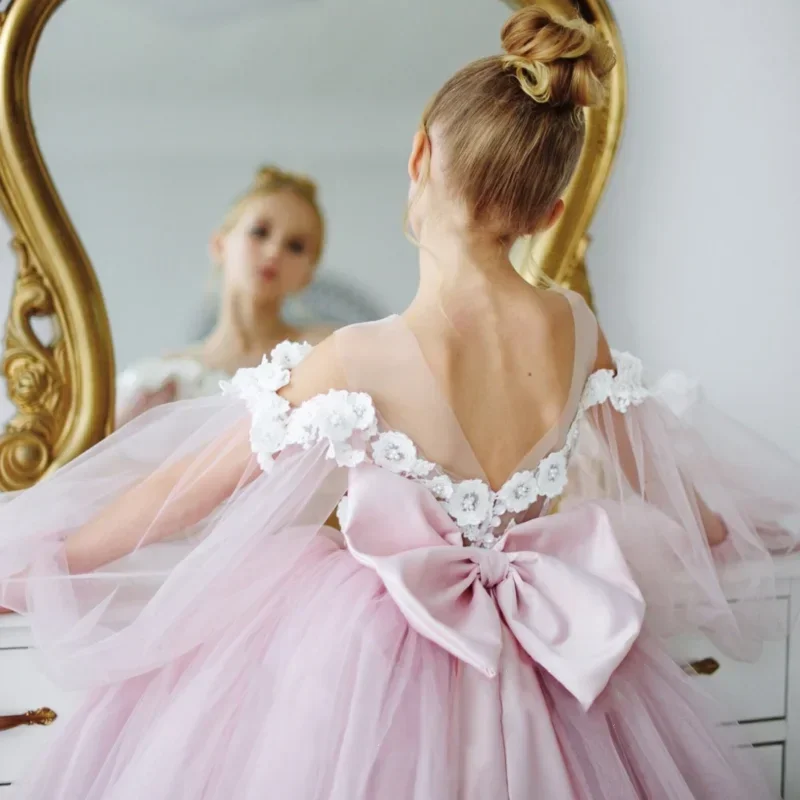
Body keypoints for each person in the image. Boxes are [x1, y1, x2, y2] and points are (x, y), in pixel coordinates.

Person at [0, 6, 796, 797]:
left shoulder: (354, 357)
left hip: (368, 665)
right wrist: (751, 531)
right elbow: (667, 488)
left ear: (419, 155)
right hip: (552, 668)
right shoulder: (579, 331)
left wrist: (49, 563)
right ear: (549, 212)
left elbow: (182, 492)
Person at [116, 165, 334, 425]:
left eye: (295, 246)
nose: (274, 251)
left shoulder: (324, 351)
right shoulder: (161, 379)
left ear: (307, 275)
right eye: (260, 232)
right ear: (220, 245)